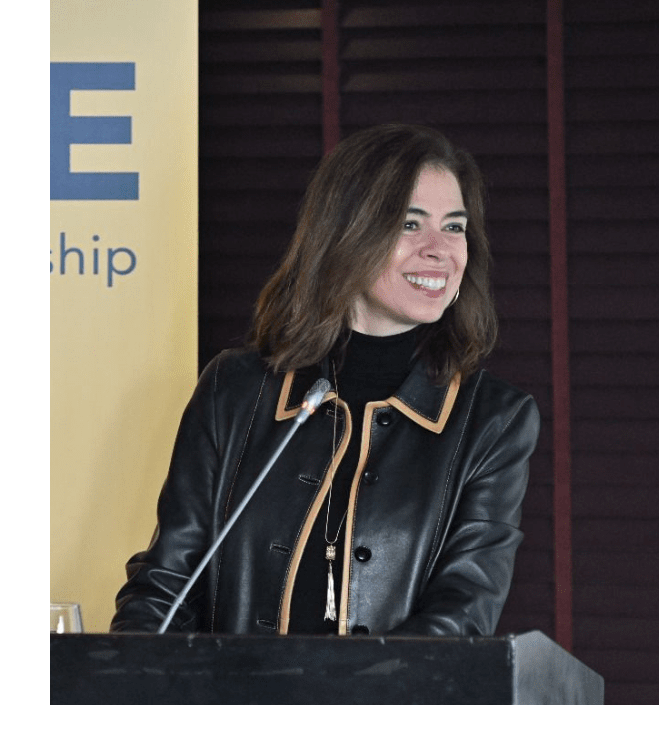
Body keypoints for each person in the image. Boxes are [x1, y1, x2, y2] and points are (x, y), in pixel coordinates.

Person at [111, 124, 540, 636]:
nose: (439, 250)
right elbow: (166, 581)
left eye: (454, 227)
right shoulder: (236, 389)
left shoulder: (493, 419)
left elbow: (461, 616)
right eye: (409, 224)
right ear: (345, 231)